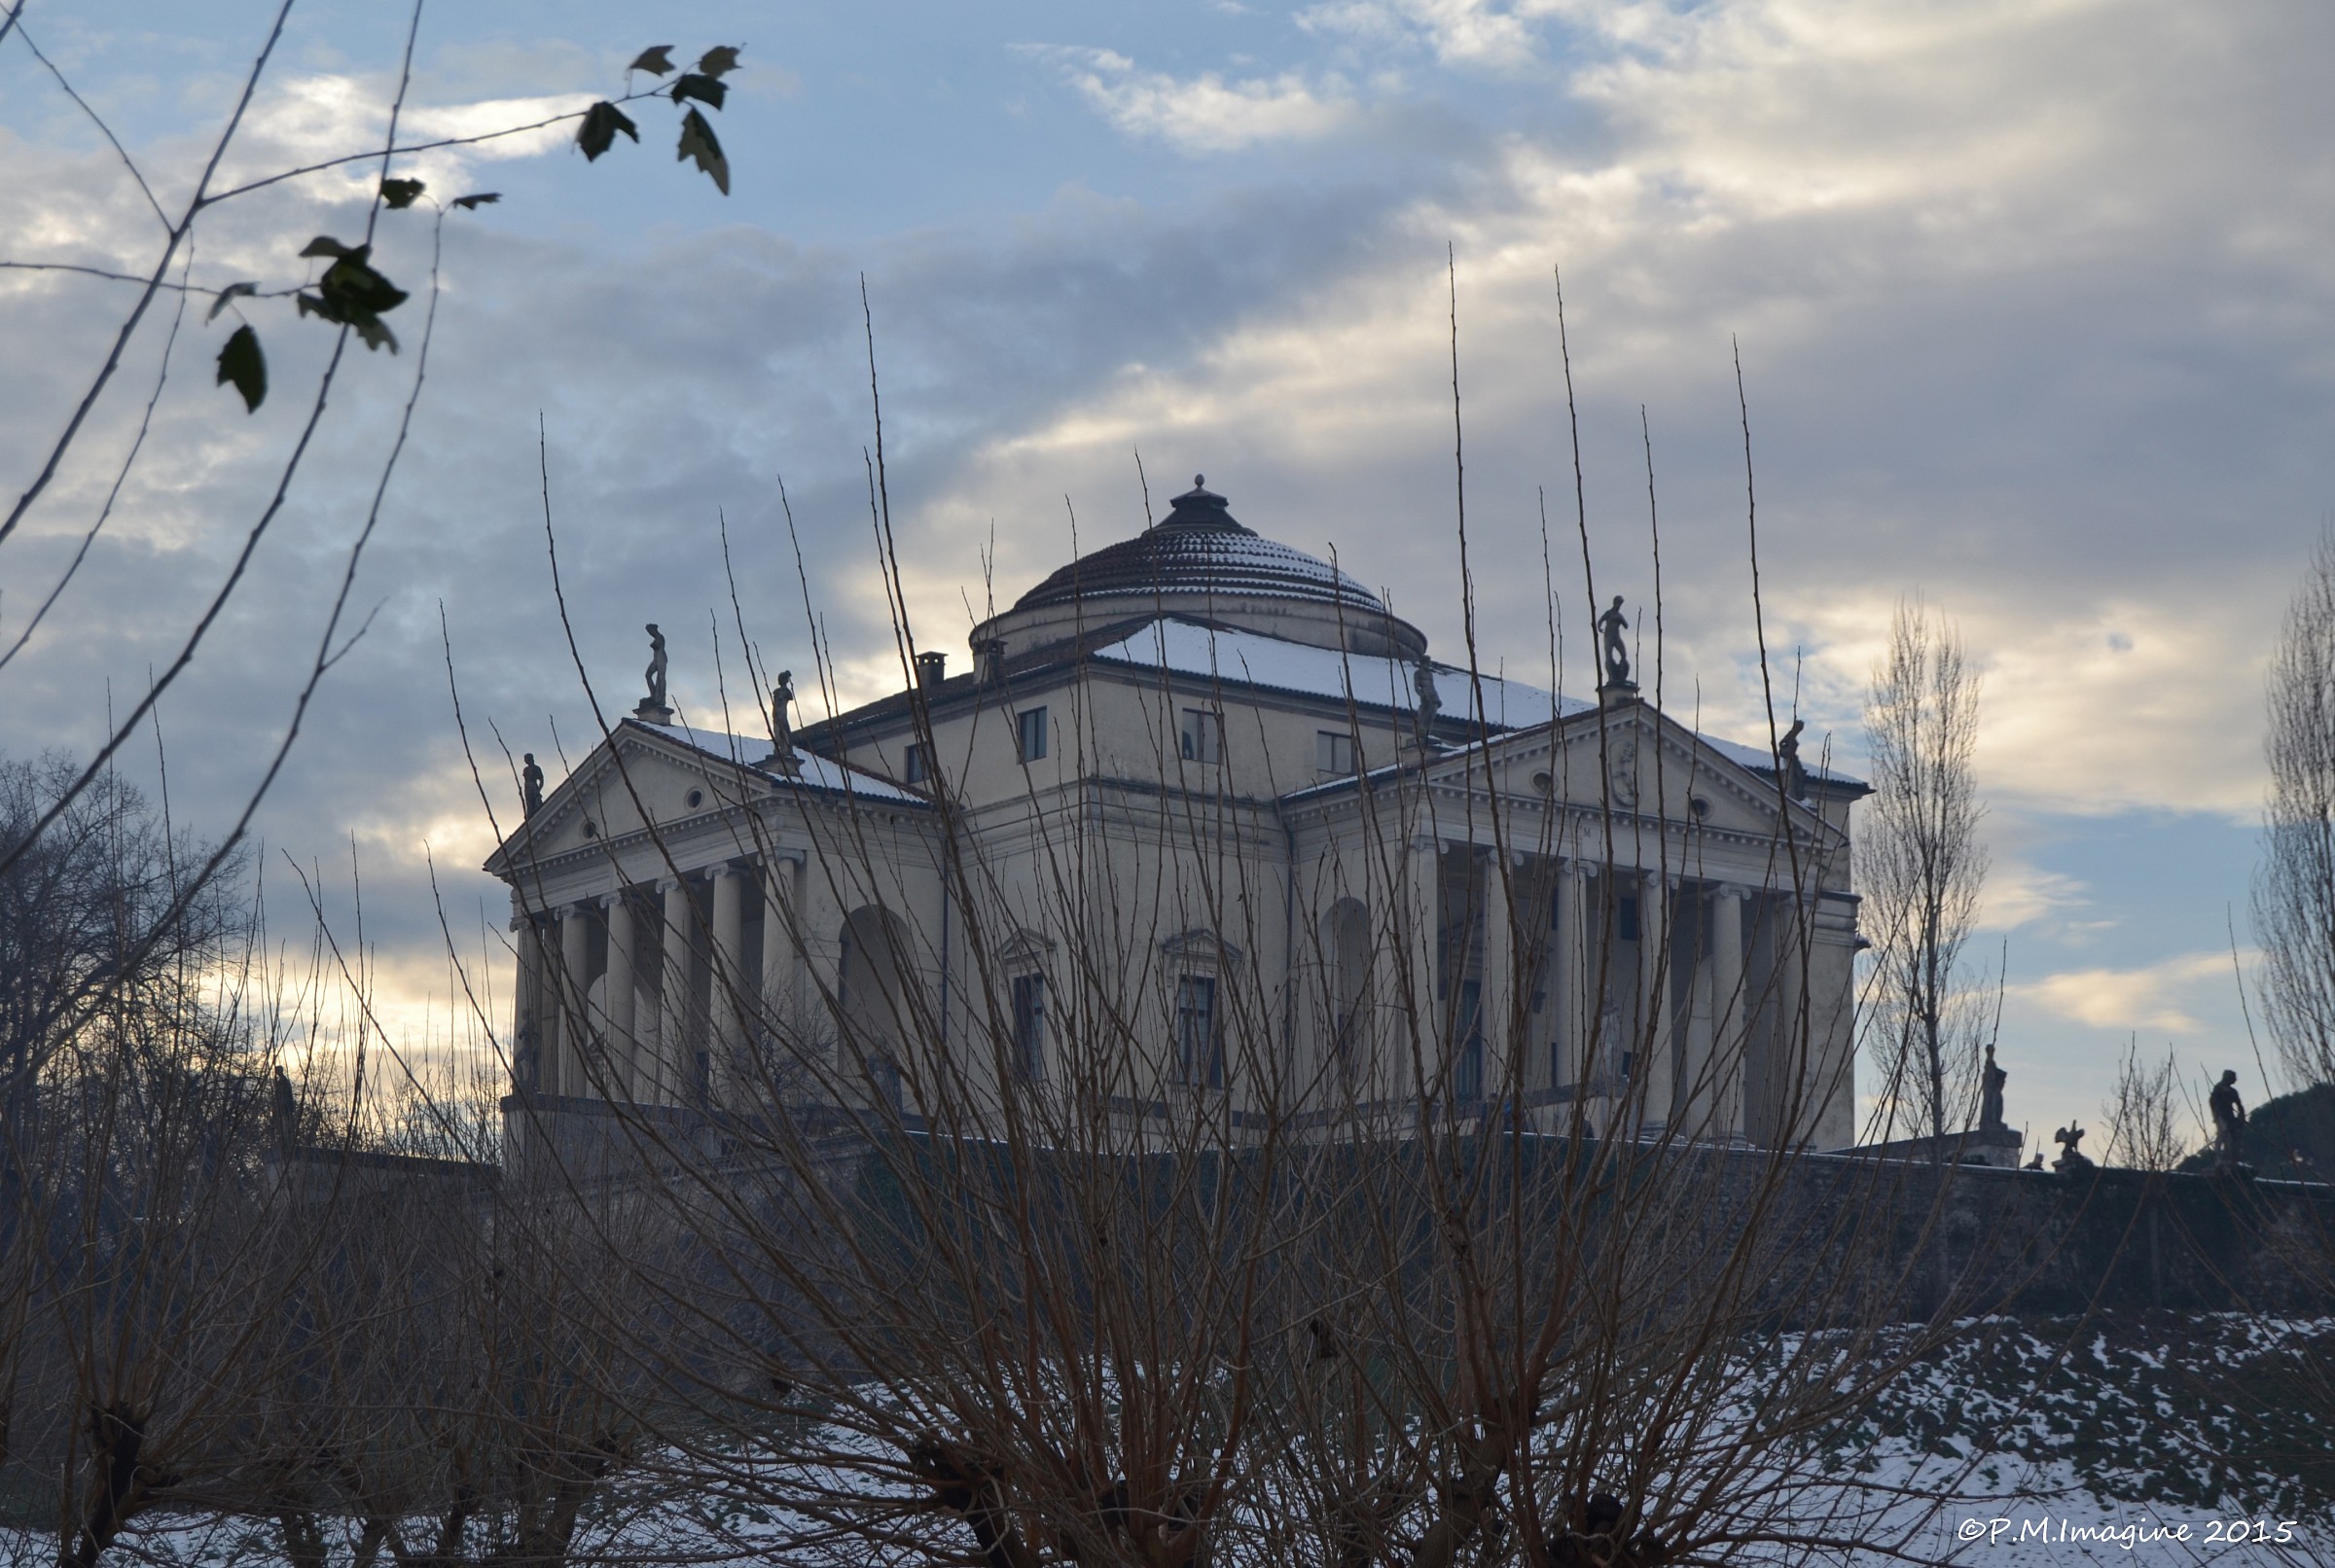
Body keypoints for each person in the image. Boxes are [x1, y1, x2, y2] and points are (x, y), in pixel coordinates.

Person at [2209, 1070, 2247, 1171]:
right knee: (2222, 1135)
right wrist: (2215, 1115)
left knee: (2231, 1138)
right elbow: (2212, 1101)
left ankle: (2230, 1159)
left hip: (2230, 1117)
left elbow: (2239, 1105)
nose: (2235, 1080)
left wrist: (2241, 1117)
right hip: (2221, 1116)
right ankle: (2218, 1159)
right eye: (2233, 1077)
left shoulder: (2233, 1091)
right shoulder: (2218, 1088)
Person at [1596, 596, 1631, 687]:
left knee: (1623, 654)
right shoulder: (1609, 613)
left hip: (1616, 636)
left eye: (1620, 604)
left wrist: (1621, 620)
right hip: (1609, 636)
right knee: (1609, 655)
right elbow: (1600, 620)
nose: (1619, 606)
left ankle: (1621, 673)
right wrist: (1599, 627)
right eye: (1618, 603)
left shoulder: (1619, 615)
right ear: (1614, 603)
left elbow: (1626, 625)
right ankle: (1611, 675)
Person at [1980, 1042, 2007, 1133]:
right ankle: (1991, 1122)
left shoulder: (1991, 1062)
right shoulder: (1989, 1062)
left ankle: (1994, 1121)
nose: (1992, 1052)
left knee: (1996, 1103)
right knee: (1992, 1103)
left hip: (1992, 1087)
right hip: (1990, 1088)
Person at [521, 753, 545, 817]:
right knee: (529, 805)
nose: (525, 761)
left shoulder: (536, 768)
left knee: (537, 803)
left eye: (525, 759)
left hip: (533, 787)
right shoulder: (525, 770)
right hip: (527, 788)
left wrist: (538, 790)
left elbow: (541, 780)